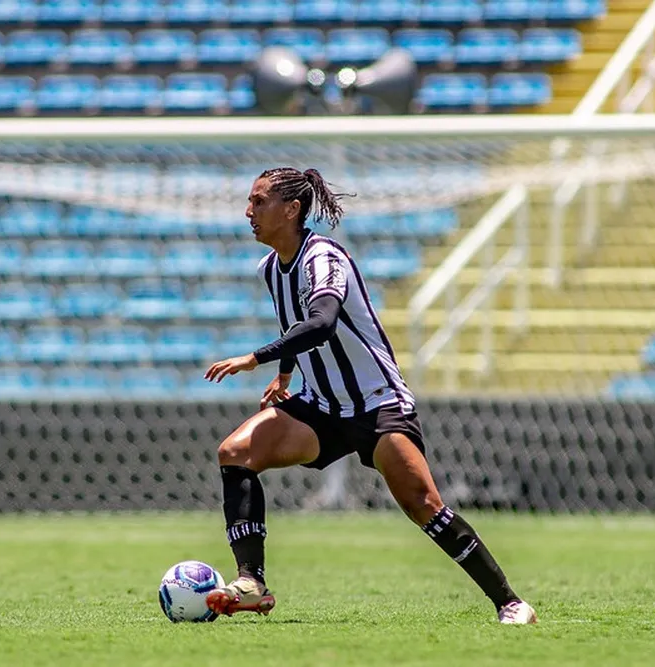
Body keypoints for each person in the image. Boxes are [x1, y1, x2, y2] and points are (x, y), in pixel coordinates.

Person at [202, 166, 536, 625]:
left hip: (378, 405)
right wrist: (283, 374)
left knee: (424, 507)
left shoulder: (324, 258)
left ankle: (510, 602)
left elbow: (320, 323)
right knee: (235, 452)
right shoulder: (271, 269)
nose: (248, 212)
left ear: (292, 209)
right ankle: (251, 583)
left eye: (259, 202)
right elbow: (295, 326)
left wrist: (255, 359)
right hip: (320, 406)